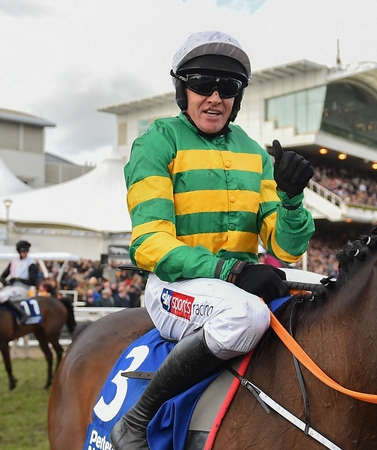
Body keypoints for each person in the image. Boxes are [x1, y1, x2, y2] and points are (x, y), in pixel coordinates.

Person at [111, 31, 315, 449]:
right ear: (182, 89)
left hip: (235, 285)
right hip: (173, 287)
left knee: (329, 294)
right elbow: (150, 244)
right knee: (246, 317)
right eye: (202, 84)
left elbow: (286, 248)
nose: (215, 97)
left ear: (238, 98)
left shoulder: (255, 154)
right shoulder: (156, 142)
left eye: (229, 88)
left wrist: (292, 200)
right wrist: (231, 271)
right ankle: (136, 419)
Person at [0, 240, 40, 321]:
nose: (25, 253)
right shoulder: (13, 261)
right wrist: (7, 282)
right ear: (19, 251)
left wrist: (18, 279)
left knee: (3, 296)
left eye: (27, 251)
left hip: (23, 289)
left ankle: (22, 314)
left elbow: (33, 281)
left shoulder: (31, 263)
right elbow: (2, 276)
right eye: (23, 251)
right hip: (12, 287)